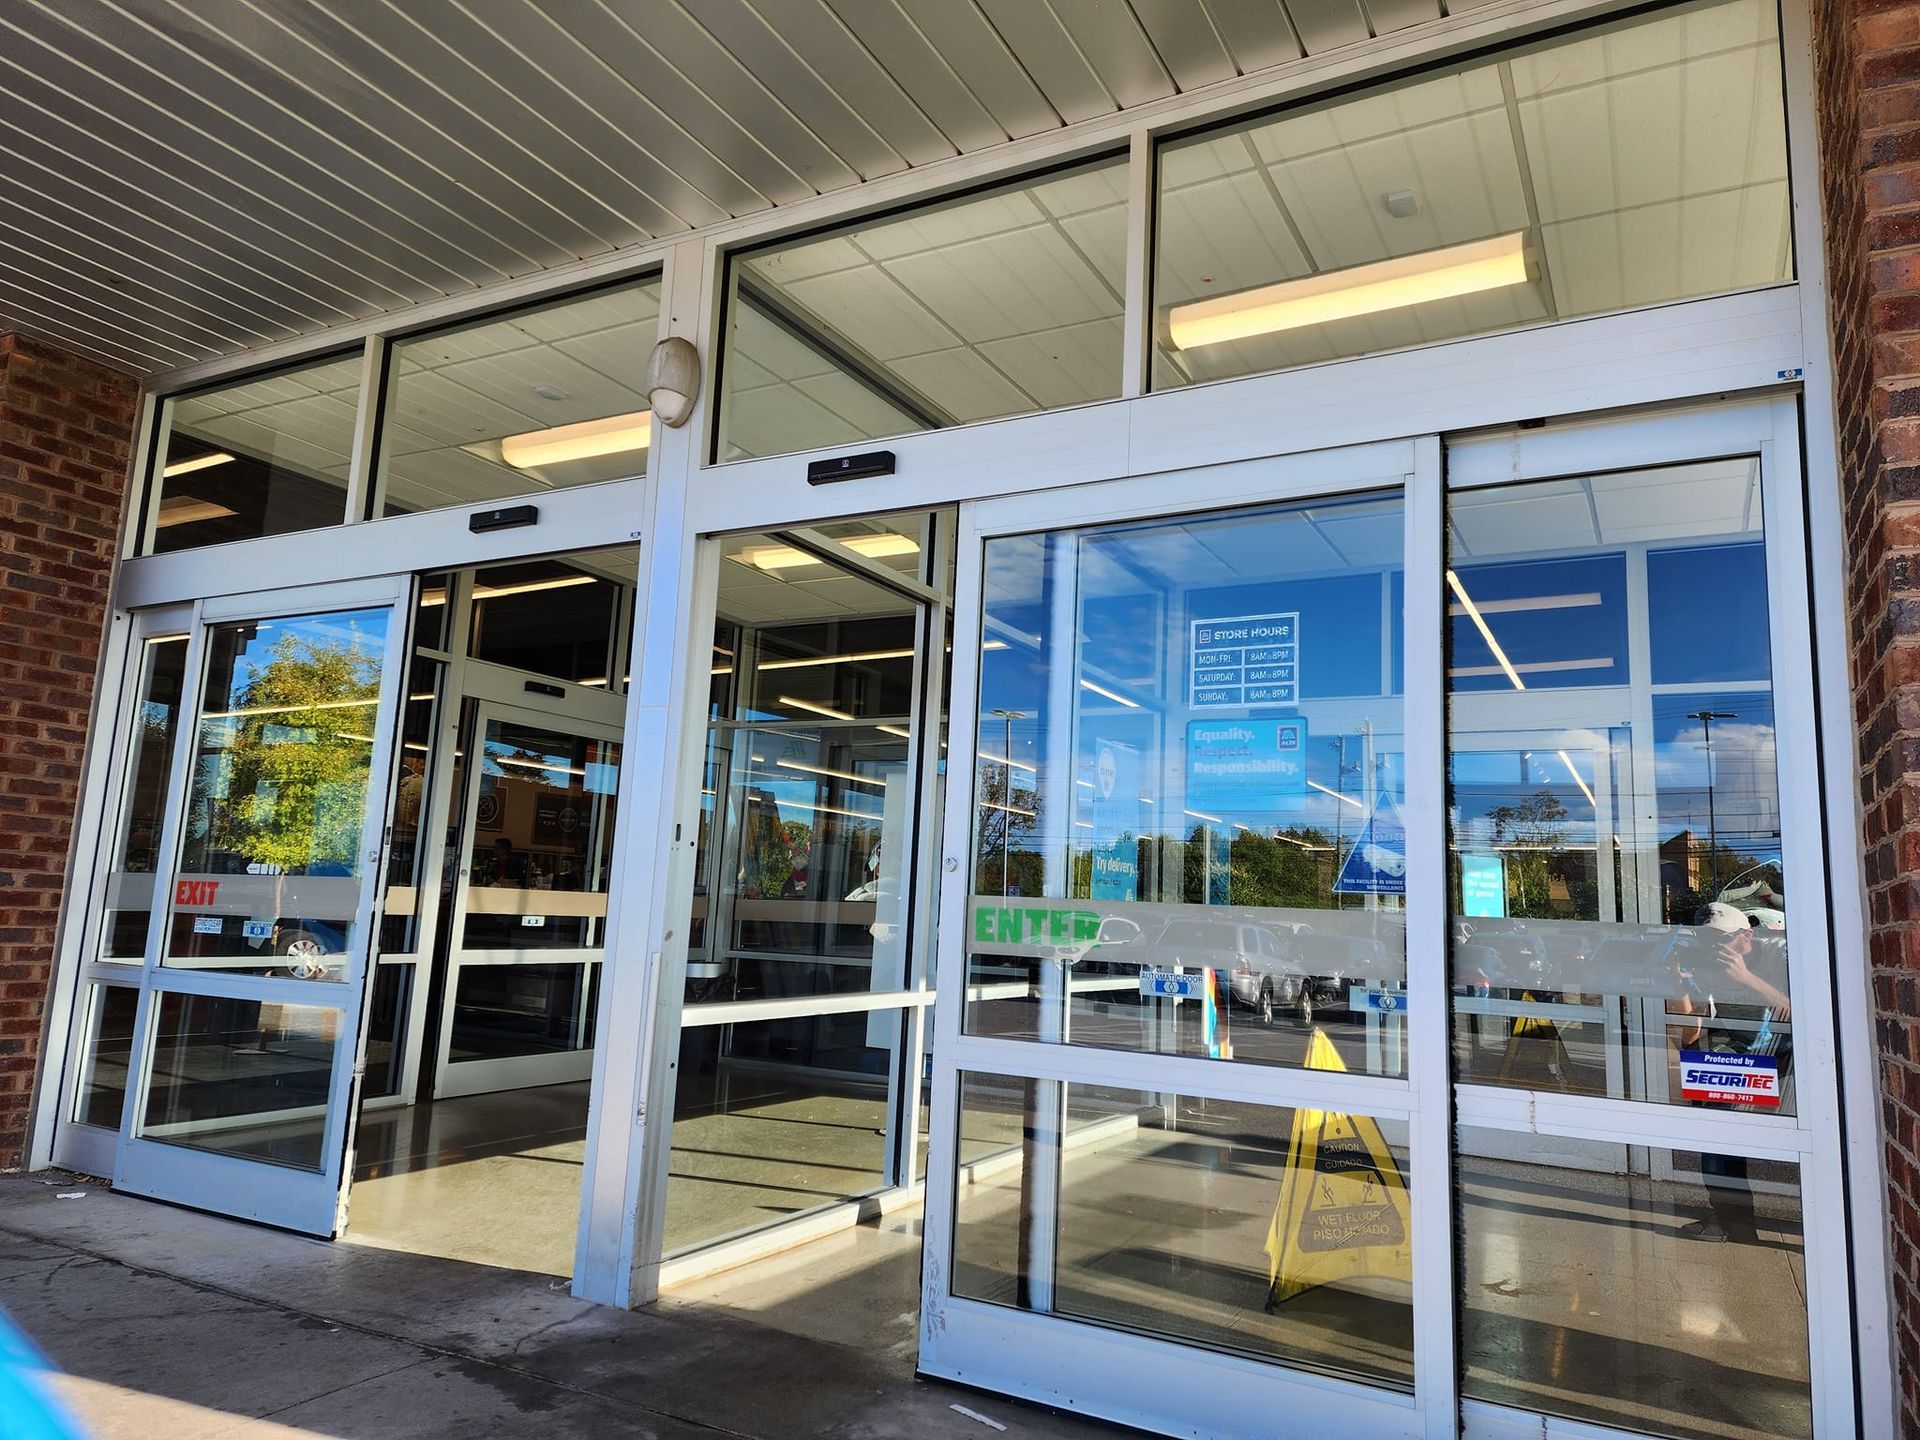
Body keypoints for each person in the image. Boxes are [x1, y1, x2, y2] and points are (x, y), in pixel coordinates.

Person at [1673, 900, 1791, 1241]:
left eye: (1721, 940)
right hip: (1732, 1054)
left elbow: (1802, 1012)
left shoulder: (1775, 956)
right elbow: (1690, 1034)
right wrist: (1677, 984)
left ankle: (1737, 1220)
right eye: (1706, 940)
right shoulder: (1703, 963)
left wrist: (1745, 977)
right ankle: (1730, 1220)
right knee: (1712, 1133)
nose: (1713, 948)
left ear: (1746, 937)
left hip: (1783, 1057)